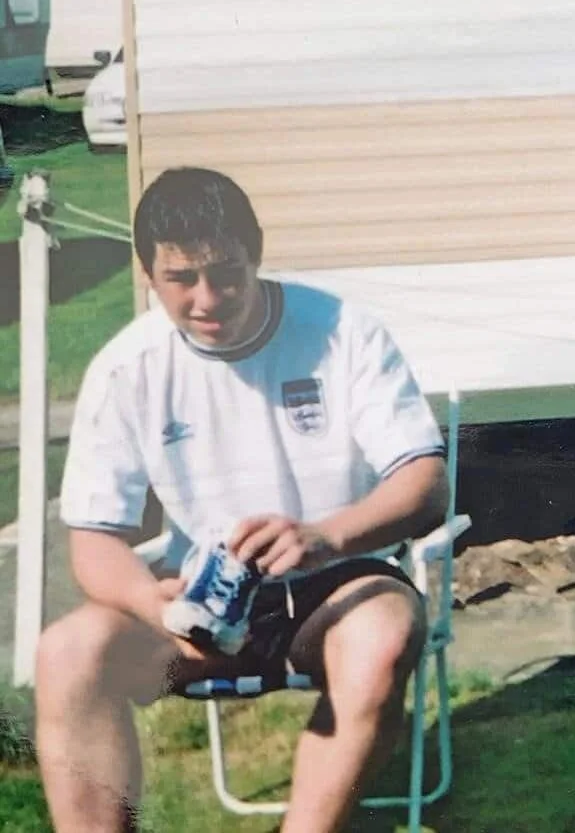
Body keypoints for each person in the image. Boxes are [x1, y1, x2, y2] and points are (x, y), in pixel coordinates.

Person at [36, 167, 449, 833]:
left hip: (335, 584)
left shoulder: (343, 333)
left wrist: (326, 535)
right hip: (201, 604)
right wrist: (155, 603)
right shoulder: (127, 366)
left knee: (383, 632)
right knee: (67, 651)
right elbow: (93, 541)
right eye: (181, 278)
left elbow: (426, 481)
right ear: (146, 272)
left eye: (226, 272)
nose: (207, 298)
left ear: (256, 252)